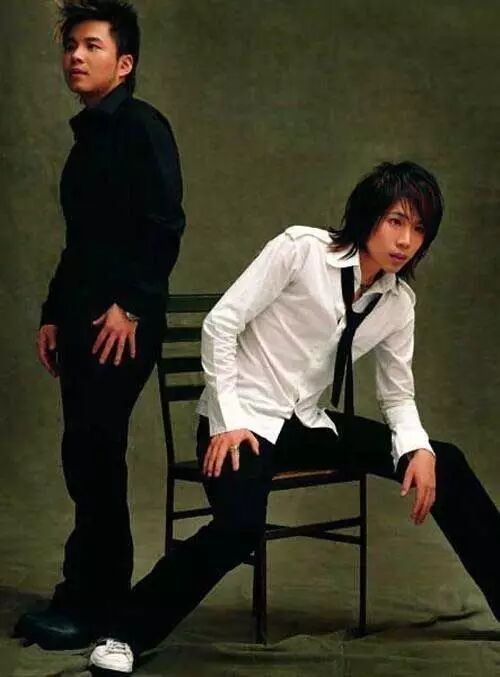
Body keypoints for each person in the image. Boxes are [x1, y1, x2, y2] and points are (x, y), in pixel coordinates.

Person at [89, 161, 499, 675]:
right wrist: (227, 421)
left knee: (446, 461)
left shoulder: (398, 303)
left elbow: (397, 395)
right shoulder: (301, 251)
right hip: (243, 423)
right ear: (368, 216)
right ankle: (124, 632)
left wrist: (417, 449)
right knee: (239, 528)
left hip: (306, 425)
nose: (405, 240)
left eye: (419, 229)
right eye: (396, 221)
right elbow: (221, 324)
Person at [14, 0, 185, 650]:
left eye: (92, 46)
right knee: (84, 456)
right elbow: (81, 244)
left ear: (126, 62)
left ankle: (98, 605)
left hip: (123, 325)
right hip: (84, 321)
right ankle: (85, 593)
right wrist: (52, 316)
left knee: (95, 454)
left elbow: (164, 224)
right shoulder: (89, 139)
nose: (76, 57)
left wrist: (132, 305)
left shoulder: (143, 128)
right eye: (71, 47)